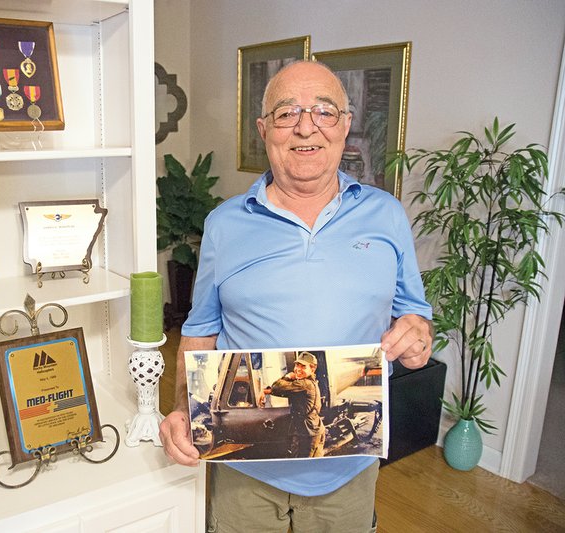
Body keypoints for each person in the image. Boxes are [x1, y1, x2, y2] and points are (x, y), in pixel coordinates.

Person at [158, 60, 433, 533]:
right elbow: (200, 332)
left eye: (324, 111)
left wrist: (417, 338)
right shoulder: (225, 223)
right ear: (264, 130)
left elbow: (415, 317)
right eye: (287, 113)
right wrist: (184, 406)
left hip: (348, 464)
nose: (306, 127)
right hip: (243, 460)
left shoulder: (386, 215)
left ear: (345, 126)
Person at [261, 351, 325, 458]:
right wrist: (264, 391)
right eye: (296, 365)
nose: (297, 369)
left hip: (306, 434)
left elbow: (277, 387)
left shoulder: (304, 384)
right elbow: (283, 391)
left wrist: (288, 377)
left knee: (302, 466)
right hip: (314, 430)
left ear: (312, 369)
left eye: (303, 367)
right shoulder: (308, 383)